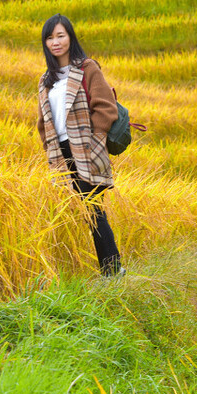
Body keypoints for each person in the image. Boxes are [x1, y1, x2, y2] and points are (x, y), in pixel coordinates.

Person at [36, 15, 123, 277]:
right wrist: (48, 148)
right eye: (49, 38)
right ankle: (104, 270)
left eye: (60, 35)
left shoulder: (87, 69)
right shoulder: (45, 80)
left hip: (86, 148)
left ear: (71, 37)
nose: (55, 42)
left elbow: (105, 107)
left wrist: (95, 141)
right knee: (80, 211)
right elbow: (43, 120)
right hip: (61, 152)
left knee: (92, 208)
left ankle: (112, 271)